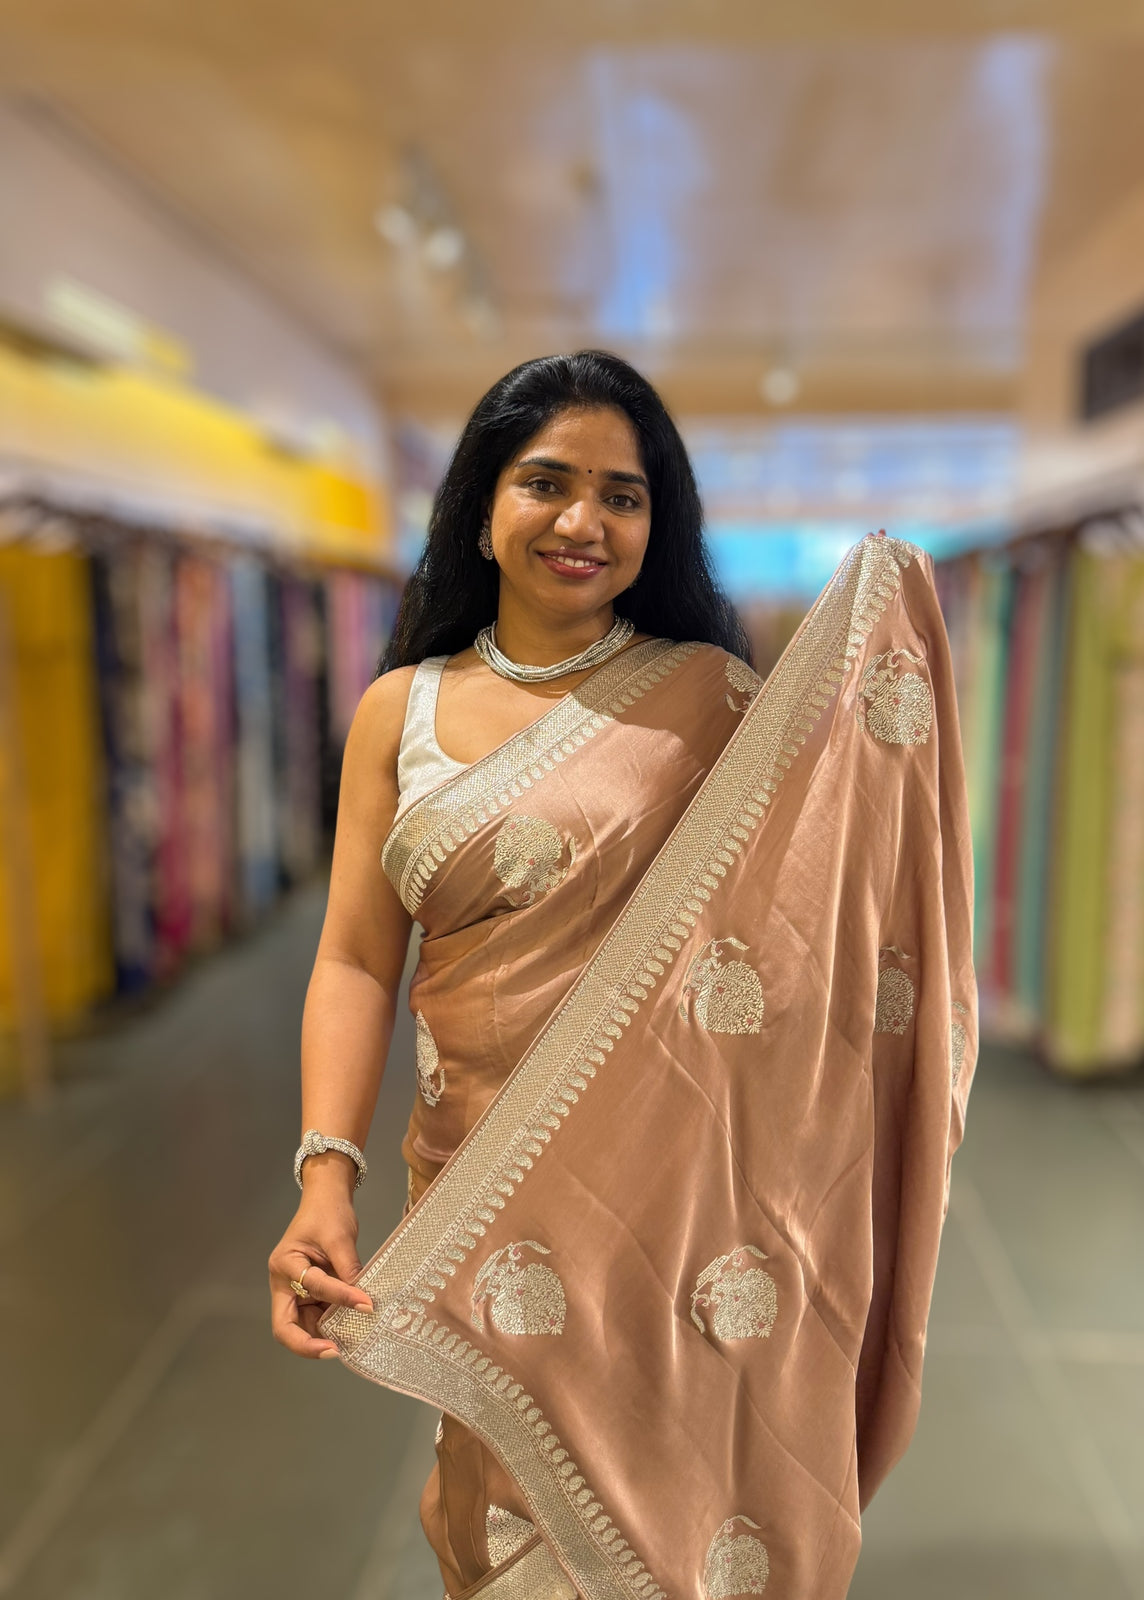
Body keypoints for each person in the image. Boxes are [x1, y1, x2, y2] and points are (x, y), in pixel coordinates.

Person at [268, 350, 976, 1600]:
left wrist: (883, 630)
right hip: (477, 1188)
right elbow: (356, 955)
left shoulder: (710, 702)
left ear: (659, 525)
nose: (584, 521)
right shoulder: (400, 709)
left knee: (673, 1505)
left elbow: (814, 909)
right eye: (546, 483)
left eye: (624, 494)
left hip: (672, 1202)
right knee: (498, 1511)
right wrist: (327, 1174)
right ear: (483, 508)